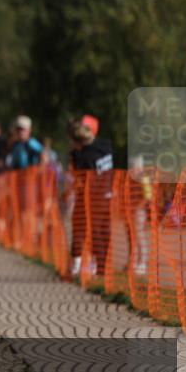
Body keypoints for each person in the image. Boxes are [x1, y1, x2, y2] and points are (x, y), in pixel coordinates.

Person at [68, 118, 113, 279]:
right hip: (106, 194)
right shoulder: (106, 145)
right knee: (102, 232)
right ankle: (99, 267)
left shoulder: (83, 154)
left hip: (91, 197)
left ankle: (85, 265)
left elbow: (78, 175)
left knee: (86, 230)